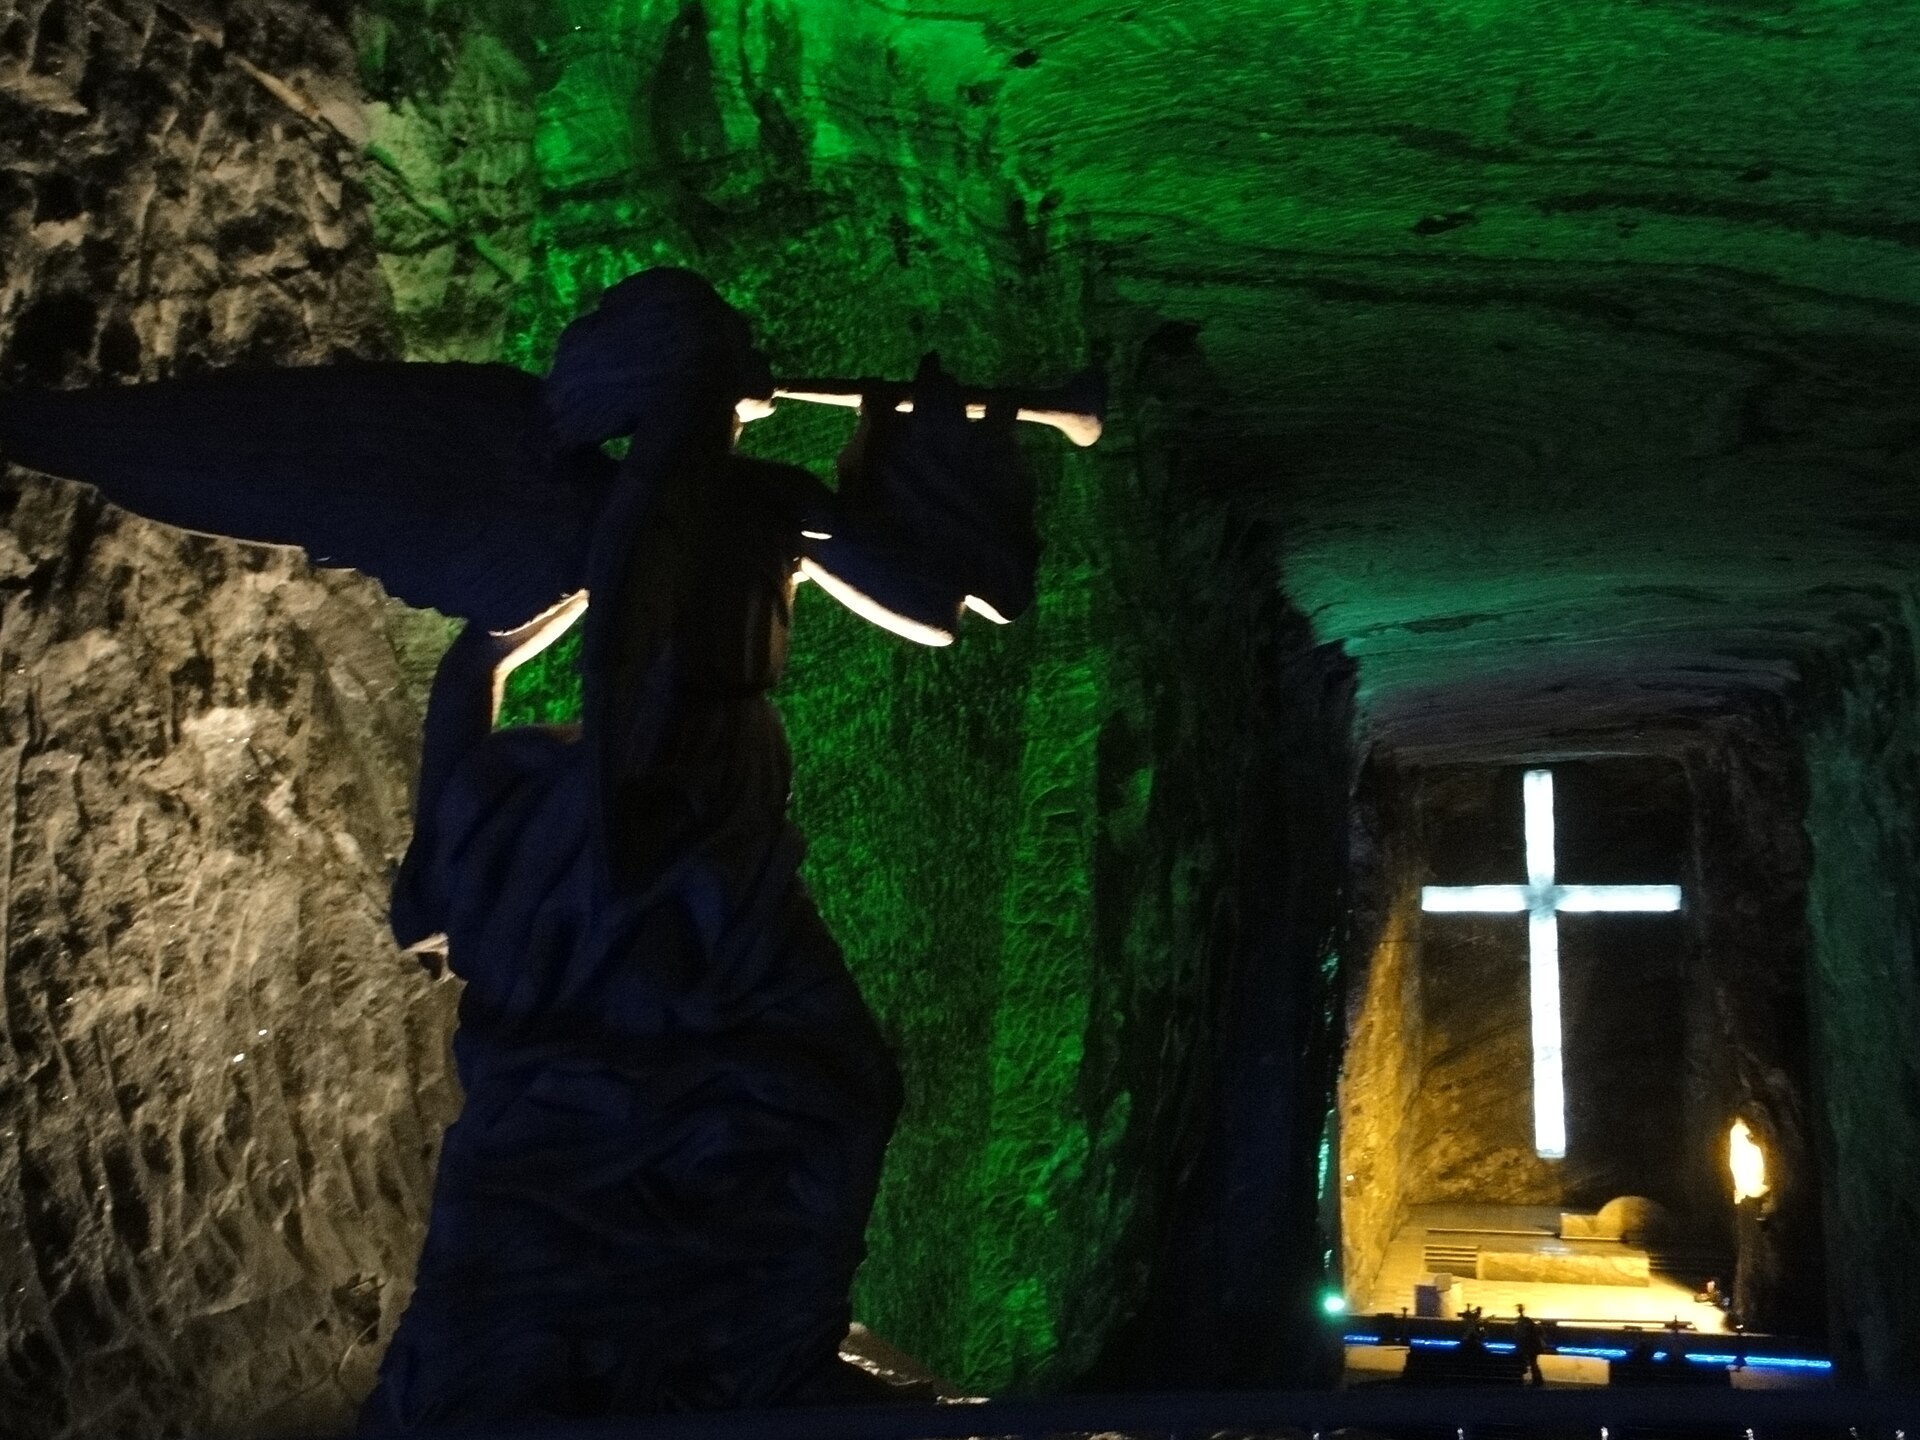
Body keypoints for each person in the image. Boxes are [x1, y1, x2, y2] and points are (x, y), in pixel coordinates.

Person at [0, 269, 1037, 1425]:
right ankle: (746, 1352)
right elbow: (945, 601)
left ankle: (708, 1334)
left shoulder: (664, 511)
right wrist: (919, 455)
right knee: (816, 1080)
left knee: (772, 1079)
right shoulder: (747, 505)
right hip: (682, 815)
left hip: (674, 812)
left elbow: (487, 656)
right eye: (731, 360)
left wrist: (458, 822)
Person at [1513, 1303, 1544, 1386]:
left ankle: (1537, 1381)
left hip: (1531, 1347)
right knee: (1534, 1363)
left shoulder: (1526, 1324)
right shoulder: (1529, 1324)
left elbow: (1523, 1333)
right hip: (1534, 1347)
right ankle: (1538, 1380)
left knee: (1533, 1363)